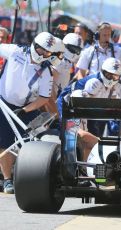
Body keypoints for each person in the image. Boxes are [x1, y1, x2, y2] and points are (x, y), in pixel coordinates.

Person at [0, 32, 59, 194]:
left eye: (48, 53)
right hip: (3, 103)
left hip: (26, 108)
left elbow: (44, 98)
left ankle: (30, 173)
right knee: (4, 143)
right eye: (42, 51)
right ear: (35, 46)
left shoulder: (46, 71)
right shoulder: (15, 51)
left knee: (35, 139)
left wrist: (26, 110)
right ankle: (7, 180)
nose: (44, 55)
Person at [57, 57, 121, 161]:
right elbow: (81, 134)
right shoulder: (93, 83)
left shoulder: (115, 86)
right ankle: (68, 162)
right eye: (109, 75)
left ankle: (86, 167)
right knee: (72, 136)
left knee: (91, 137)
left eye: (115, 76)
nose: (111, 79)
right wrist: (103, 144)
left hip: (87, 109)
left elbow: (110, 102)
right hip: (72, 106)